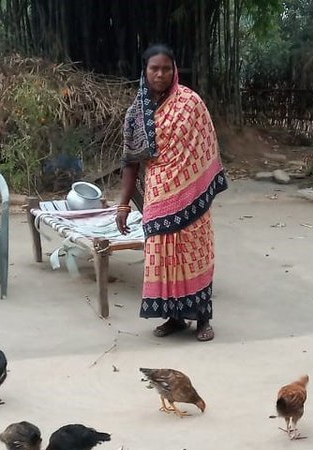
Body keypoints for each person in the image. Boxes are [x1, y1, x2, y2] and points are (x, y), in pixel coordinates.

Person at [116, 44, 228, 342]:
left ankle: (203, 318)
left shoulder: (190, 103)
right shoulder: (136, 112)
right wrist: (123, 204)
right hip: (158, 192)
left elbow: (205, 145)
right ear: (145, 70)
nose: (161, 74)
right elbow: (130, 161)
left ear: (174, 69)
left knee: (195, 253)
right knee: (162, 254)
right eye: (155, 68)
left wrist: (197, 183)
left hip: (193, 191)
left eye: (167, 68)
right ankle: (174, 316)